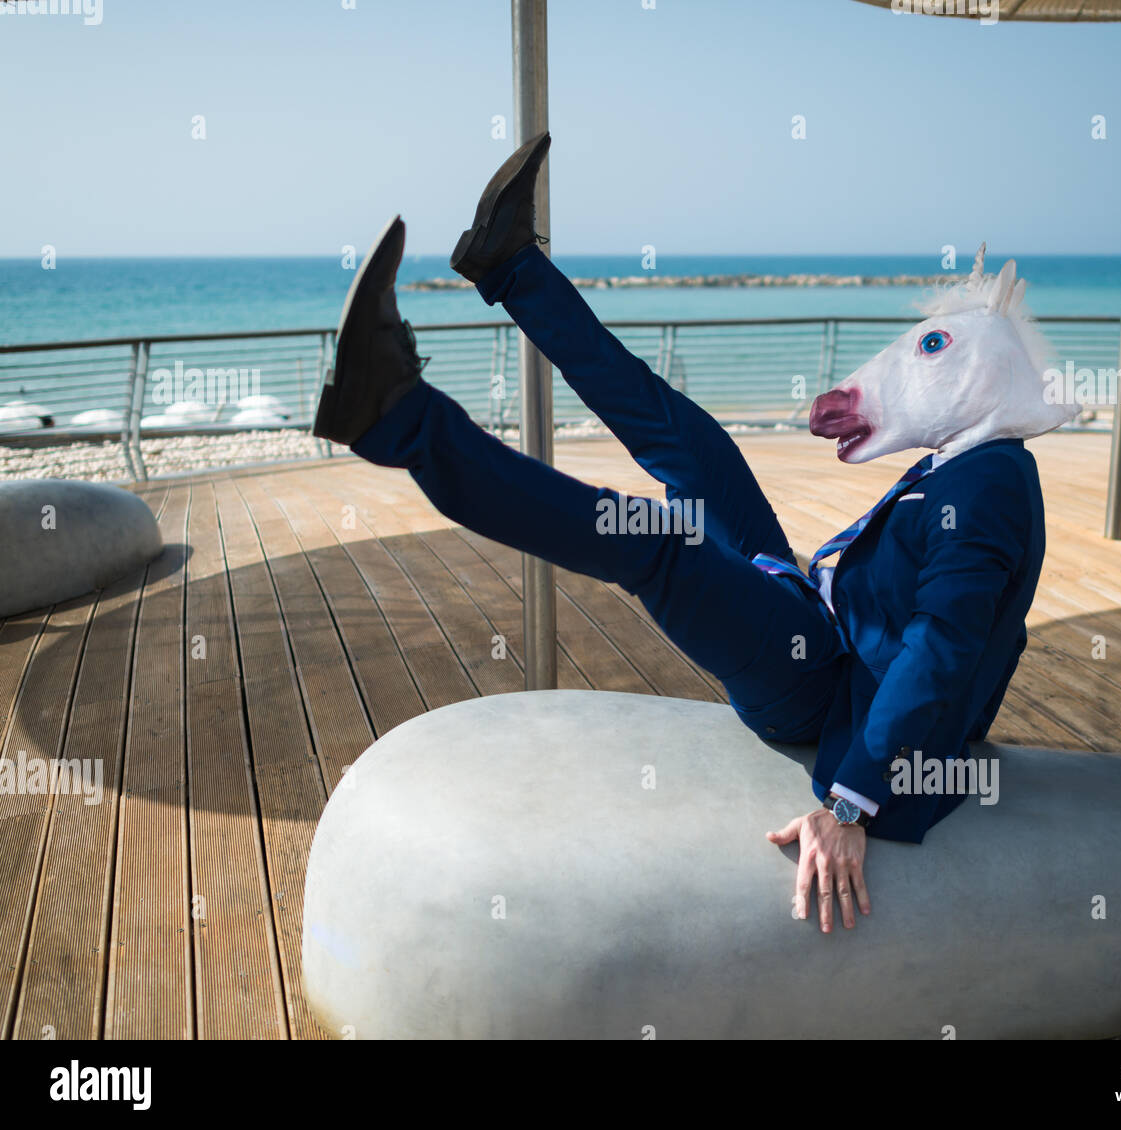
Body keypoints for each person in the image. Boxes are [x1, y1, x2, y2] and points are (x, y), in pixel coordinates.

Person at [314, 133, 1060, 934]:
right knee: (689, 442)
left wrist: (851, 805)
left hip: (817, 685)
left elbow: (942, 649)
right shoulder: (976, 461)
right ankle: (510, 267)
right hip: (817, 614)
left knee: (657, 543)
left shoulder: (990, 488)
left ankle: (397, 421)